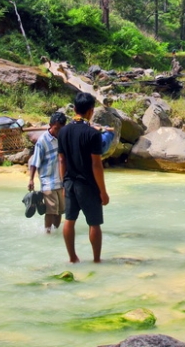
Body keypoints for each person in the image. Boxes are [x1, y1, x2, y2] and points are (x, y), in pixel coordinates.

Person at [58, 92, 110, 263]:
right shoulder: (92, 134)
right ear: (91, 111)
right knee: (94, 223)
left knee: (69, 220)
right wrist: (103, 191)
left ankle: (72, 258)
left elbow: (61, 160)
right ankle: (96, 260)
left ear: (74, 109)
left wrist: (64, 184)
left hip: (70, 183)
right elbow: (96, 164)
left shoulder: (63, 131)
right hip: (88, 184)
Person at [28, 112, 67, 233]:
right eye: (56, 128)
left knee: (60, 211)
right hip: (48, 181)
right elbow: (35, 162)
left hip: (60, 181)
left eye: (61, 128)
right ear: (50, 125)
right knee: (51, 211)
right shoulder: (42, 141)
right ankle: (47, 233)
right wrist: (31, 179)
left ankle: (56, 231)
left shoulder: (63, 138)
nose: (59, 131)